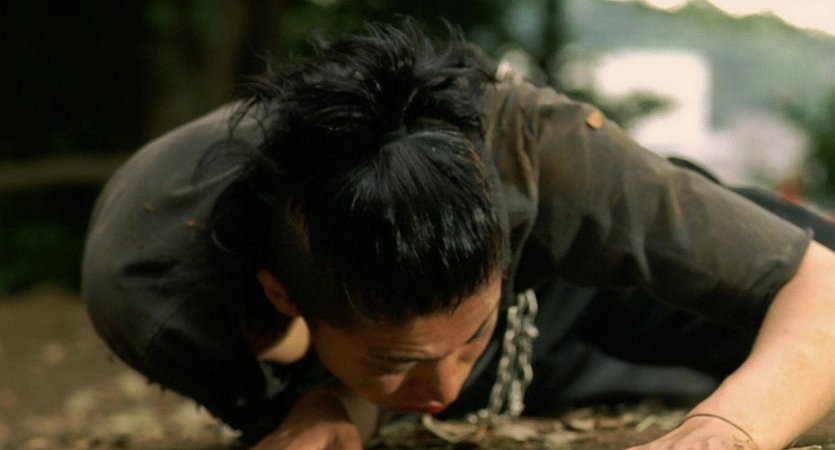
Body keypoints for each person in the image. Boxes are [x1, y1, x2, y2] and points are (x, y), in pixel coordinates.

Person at [82, 20, 835, 450]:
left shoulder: (542, 153)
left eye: (463, 343)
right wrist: (318, 408)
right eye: (398, 359)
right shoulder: (156, 292)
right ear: (282, 295)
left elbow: (819, 288)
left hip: (558, 283)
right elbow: (300, 376)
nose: (440, 389)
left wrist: (725, 431)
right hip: (515, 349)